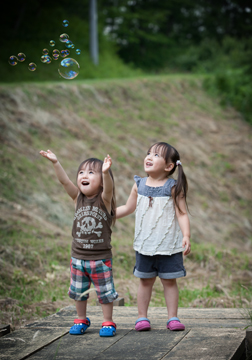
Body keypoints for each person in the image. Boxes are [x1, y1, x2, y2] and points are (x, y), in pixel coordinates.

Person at [40, 149, 118, 337]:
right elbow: (65, 181)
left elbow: (108, 189)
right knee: (78, 292)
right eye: (81, 172)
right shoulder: (78, 198)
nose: (84, 175)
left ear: (100, 182)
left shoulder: (104, 201)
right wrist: (55, 163)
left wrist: (106, 173)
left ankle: (108, 322)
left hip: (100, 259)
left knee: (105, 294)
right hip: (78, 258)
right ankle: (81, 319)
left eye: (91, 172)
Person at [116, 142, 191, 331]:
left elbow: (182, 213)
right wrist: (107, 214)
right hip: (145, 245)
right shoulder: (139, 184)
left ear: (169, 166)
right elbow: (128, 208)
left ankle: (172, 318)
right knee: (145, 281)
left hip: (169, 246)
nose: (149, 157)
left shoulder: (173, 187)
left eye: (156, 155)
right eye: (148, 153)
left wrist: (186, 235)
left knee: (169, 281)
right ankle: (142, 318)